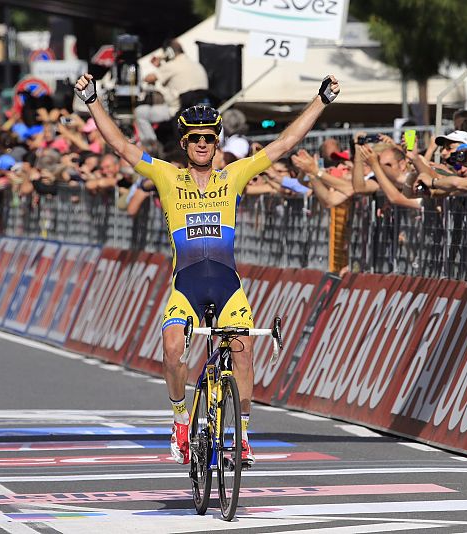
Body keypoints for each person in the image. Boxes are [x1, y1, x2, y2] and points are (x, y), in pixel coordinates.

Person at [74, 71, 340, 466]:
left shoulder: (233, 176)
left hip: (228, 284)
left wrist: (322, 100)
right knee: (171, 349)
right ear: (184, 144)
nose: (203, 143)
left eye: (209, 138)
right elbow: (120, 146)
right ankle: (180, 420)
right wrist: (93, 99)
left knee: (244, 351)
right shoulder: (167, 175)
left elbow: (286, 142)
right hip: (186, 284)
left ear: (217, 142)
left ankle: (244, 435)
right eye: (195, 138)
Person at [135, 40, 210, 142]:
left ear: (169, 52)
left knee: (140, 112)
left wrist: (161, 59)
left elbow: (149, 78)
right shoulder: (196, 65)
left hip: (177, 110)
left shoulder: (172, 65)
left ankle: (151, 146)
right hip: (197, 109)